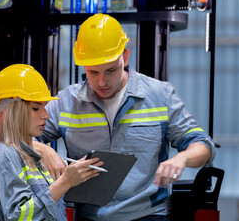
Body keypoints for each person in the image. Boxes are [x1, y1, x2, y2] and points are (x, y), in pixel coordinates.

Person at [33, 14, 216, 220]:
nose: (102, 82)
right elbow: (16, 138)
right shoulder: (65, 103)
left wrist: (182, 158)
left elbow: (203, 145)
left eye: (111, 70)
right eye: (93, 73)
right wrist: (43, 150)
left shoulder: (159, 96)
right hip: (88, 216)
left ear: (125, 56)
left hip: (147, 215)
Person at [0, 64, 103, 220]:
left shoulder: (31, 158)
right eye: (36, 108)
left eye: (44, 107)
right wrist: (64, 182)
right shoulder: (4, 156)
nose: (46, 115)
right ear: (14, 110)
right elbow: (18, 217)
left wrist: (72, 181)